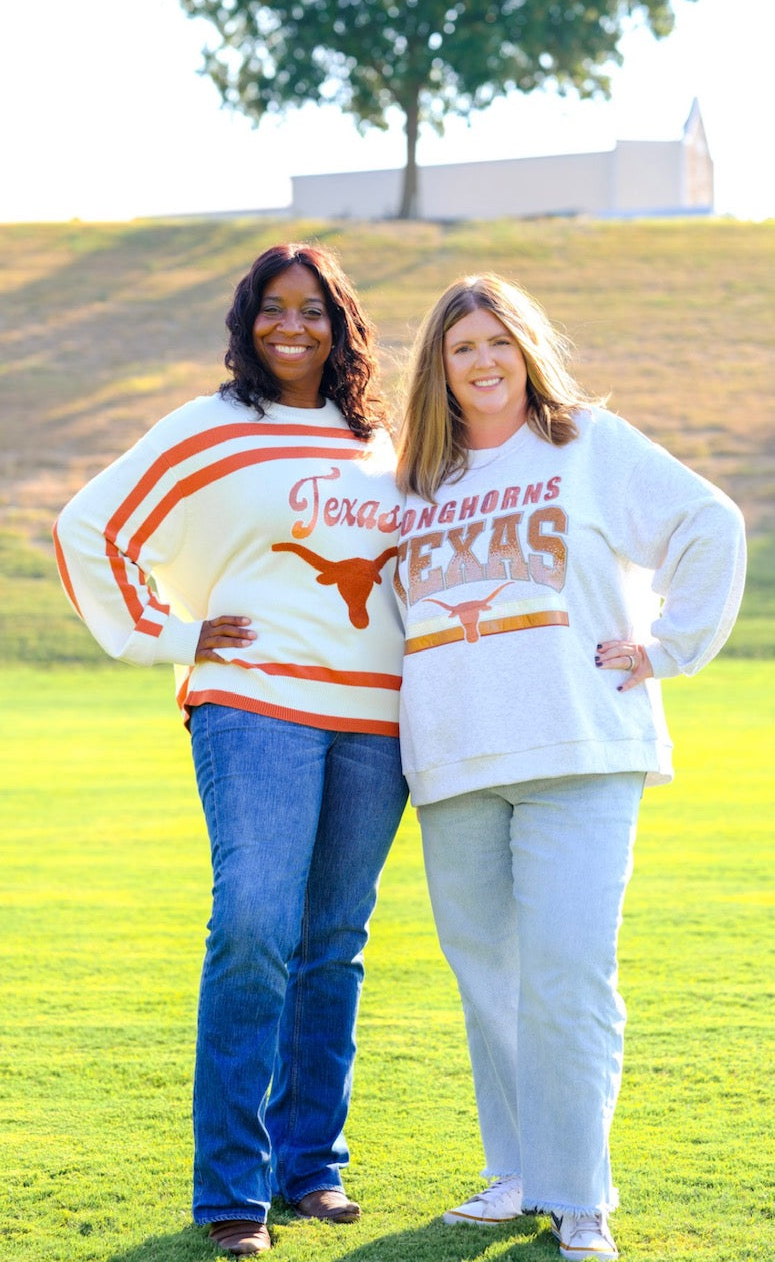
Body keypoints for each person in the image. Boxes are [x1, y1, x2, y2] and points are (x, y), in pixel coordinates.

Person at [53, 243, 408, 1256]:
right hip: (253, 704)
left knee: (333, 937)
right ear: (245, 320)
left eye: (313, 310)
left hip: (377, 718)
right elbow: (93, 526)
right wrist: (167, 631)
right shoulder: (208, 428)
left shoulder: (378, 438)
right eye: (271, 308)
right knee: (255, 921)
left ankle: (312, 1169)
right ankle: (230, 1188)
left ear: (342, 326)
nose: (291, 327)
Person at [393, 272, 745, 1261]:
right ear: (440, 368)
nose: (483, 361)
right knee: (490, 980)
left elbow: (707, 523)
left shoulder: (587, 444)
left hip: (580, 748)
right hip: (455, 765)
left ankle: (581, 1194)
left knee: (570, 975)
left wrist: (663, 645)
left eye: (498, 341)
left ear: (526, 348)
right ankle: (516, 1173)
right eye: (462, 348)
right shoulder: (417, 480)